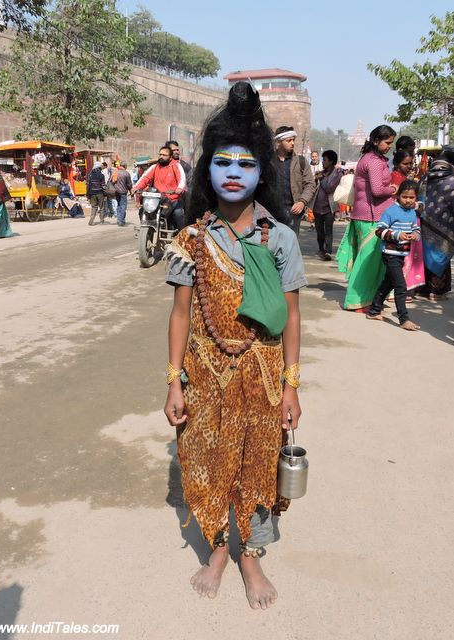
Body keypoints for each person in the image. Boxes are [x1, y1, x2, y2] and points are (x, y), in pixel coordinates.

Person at [164, 82, 306, 610]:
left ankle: (251, 555)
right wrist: (173, 379)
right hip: (203, 372)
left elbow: (292, 318)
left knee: (258, 461)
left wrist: (291, 386)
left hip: (265, 374)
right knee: (204, 457)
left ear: (261, 173)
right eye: (220, 162)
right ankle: (219, 548)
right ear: (207, 172)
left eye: (244, 164)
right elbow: (180, 314)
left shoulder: (281, 239)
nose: (231, 172)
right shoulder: (191, 239)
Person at [337, 125, 397, 311]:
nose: (389, 147)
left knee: (372, 261)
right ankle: (355, 300)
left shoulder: (370, 159)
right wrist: (394, 189)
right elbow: (378, 190)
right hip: (371, 217)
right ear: (376, 141)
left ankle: (367, 298)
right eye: (387, 143)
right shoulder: (374, 162)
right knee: (367, 262)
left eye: (391, 143)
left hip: (368, 215)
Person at [366, 180, 421, 330]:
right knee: (400, 286)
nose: (408, 200)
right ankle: (404, 319)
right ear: (398, 196)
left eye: (412, 198)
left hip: (401, 254)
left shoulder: (412, 213)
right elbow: (379, 231)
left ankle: (374, 310)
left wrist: (416, 235)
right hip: (390, 254)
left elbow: (416, 229)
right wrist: (397, 235)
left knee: (388, 283)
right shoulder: (390, 211)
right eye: (405, 197)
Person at [418, 145, 454, 301]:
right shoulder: (452, 180)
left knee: (425, 255)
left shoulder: (425, 177)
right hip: (445, 225)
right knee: (441, 254)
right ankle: (436, 292)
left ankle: (422, 289)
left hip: (424, 221)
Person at [391, 150, 425, 296]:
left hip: (410, 221)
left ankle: (406, 287)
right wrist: (417, 205)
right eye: (405, 163)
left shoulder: (405, 178)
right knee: (400, 257)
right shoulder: (394, 178)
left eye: (411, 163)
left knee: (410, 255)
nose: (409, 166)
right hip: (400, 222)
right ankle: (398, 290)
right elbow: (394, 201)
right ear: (397, 163)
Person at [274, 125, 315, 237]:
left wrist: (302, 201)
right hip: (272, 213)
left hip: (293, 212)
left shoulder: (300, 162)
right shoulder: (269, 162)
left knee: (291, 245)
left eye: (293, 140)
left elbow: (310, 184)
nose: (292, 143)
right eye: (288, 140)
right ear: (279, 142)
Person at [133, 146, 186, 230]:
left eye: (164, 155)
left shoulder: (176, 166)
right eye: (160, 154)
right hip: (157, 199)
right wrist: (136, 187)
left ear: (170, 157)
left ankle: (181, 238)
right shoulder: (155, 167)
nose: (161, 156)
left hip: (173, 199)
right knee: (142, 210)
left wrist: (179, 189)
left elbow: (182, 178)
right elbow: (145, 178)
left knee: (178, 214)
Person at [312, 150, 342, 260]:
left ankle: (328, 251)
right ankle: (321, 249)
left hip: (329, 208)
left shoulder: (338, 174)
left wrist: (321, 179)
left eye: (324, 160)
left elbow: (330, 188)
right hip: (317, 207)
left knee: (328, 230)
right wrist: (316, 179)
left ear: (331, 161)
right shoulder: (321, 173)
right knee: (319, 231)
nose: (323, 162)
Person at [112, 161, 132, 226]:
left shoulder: (115, 172)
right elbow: (129, 185)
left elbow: (112, 182)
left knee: (118, 205)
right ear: (125, 166)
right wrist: (131, 191)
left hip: (116, 192)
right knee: (123, 206)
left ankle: (119, 219)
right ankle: (121, 221)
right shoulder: (126, 173)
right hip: (123, 192)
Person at [86, 161, 106, 225]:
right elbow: (103, 186)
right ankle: (102, 221)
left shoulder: (90, 175)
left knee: (94, 206)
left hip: (92, 193)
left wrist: (88, 194)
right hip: (100, 193)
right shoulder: (101, 175)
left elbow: (88, 185)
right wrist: (105, 192)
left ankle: (91, 220)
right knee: (101, 207)